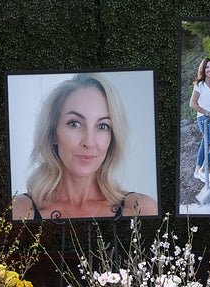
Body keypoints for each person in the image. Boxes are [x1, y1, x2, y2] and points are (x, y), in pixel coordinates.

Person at [11, 73, 157, 220]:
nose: (89, 142)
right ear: (53, 133)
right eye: (74, 123)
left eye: (102, 126)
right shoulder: (18, 211)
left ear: (112, 137)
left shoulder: (141, 210)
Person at [189, 58, 210, 184]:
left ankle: (197, 170)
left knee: (205, 143)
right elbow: (192, 104)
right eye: (207, 67)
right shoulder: (200, 85)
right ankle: (203, 170)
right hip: (204, 119)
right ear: (203, 69)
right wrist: (208, 113)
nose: (209, 70)